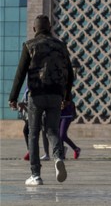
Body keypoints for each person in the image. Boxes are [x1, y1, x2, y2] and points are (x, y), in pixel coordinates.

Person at [8, 15, 74, 186]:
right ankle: (58, 157)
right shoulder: (61, 46)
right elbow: (70, 73)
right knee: (52, 130)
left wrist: (13, 97)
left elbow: (21, 73)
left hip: (36, 94)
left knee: (33, 132)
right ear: (50, 27)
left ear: (34, 29)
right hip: (56, 95)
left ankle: (35, 175)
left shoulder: (30, 45)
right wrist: (67, 97)